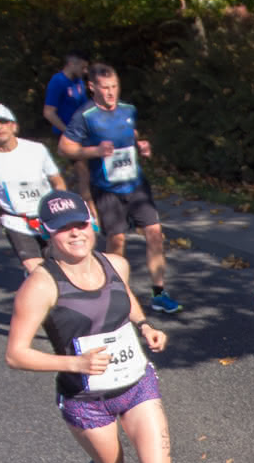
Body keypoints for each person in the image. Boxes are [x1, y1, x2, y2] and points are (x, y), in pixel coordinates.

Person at [4, 190, 211, 463]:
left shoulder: (114, 262)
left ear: (92, 223)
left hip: (136, 383)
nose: (75, 233)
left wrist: (145, 325)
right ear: (46, 233)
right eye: (63, 228)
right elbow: (15, 355)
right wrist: (73, 364)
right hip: (86, 399)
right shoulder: (41, 285)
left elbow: (126, 300)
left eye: (80, 223)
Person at [58, 63, 178, 314]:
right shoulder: (85, 116)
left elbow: (129, 132)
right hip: (107, 188)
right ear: (92, 87)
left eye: (115, 86)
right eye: (105, 88)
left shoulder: (127, 109)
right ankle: (119, 293)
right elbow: (65, 148)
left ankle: (159, 292)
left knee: (155, 234)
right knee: (117, 241)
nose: (111, 93)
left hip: (136, 184)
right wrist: (94, 151)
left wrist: (141, 145)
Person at [0, 103, 67, 274]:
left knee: (59, 267)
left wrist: (62, 207)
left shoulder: (37, 150)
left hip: (47, 218)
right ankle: (36, 285)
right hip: (16, 222)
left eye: (3, 121)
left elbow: (57, 181)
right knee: (36, 270)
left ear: (14, 125)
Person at [42, 51, 89, 138]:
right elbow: (48, 112)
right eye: (82, 68)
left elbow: (85, 107)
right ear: (71, 64)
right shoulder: (57, 81)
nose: (85, 71)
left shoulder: (79, 82)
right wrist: (67, 132)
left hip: (81, 133)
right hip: (63, 136)